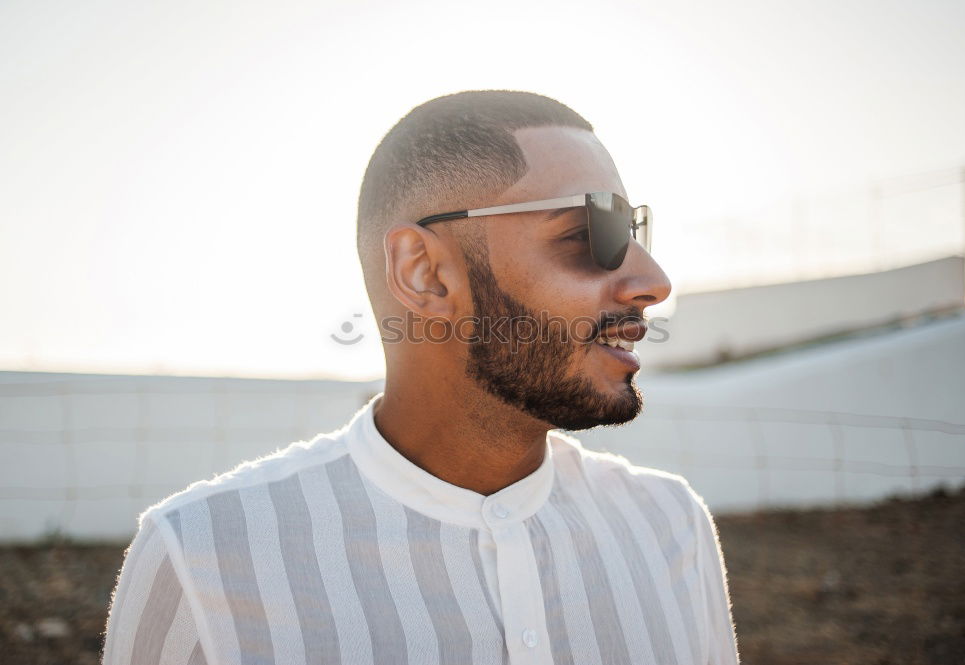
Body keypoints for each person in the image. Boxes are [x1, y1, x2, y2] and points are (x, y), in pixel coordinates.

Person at [102, 90, 740, 665]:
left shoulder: (669, 526)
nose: (653, 282)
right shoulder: (201, 559)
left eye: (632, 231)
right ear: (425, 273)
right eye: (590, 232)